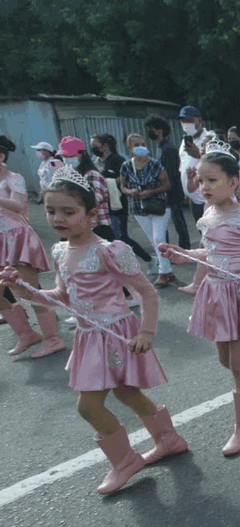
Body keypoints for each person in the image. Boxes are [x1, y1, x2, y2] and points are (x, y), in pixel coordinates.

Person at [2, 165, 188, 494]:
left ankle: (126, 461)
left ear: (91, 214)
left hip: (117, 334)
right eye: (51, 210)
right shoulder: (61, 250)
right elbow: (61, 297)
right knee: (127, 393)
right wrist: (24, 291)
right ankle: (169, 439)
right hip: (89, 337)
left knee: (88, 406)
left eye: (68, 211)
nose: (58, 218)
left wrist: (146, 331)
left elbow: (146, 292)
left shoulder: (110, 251)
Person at [161, 146, 240, 456]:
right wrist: (185, 254)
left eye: (212, 180)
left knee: (238, 364)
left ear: (233, 182)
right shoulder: (207, 216)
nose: (204, 187)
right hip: (216, 293)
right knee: (225, 360)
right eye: (200, 181)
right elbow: (212, 255)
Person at [0, 134, 66, 358]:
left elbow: (18, 206)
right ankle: (26, 335)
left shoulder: (13, 178)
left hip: (17, 237)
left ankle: (52, 339)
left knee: (29, 290)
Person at [119, 133, 176, 287]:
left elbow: (167, 185)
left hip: (159, 207)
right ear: (129, 147)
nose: (141, 147)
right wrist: (130, 192)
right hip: (138, 208)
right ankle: (168, 270)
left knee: (158, 239)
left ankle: (163, 273)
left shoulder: (154, 164)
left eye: (143, 144)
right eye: (136, 145)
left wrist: (150, 192)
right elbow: (122, 186)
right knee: (155, 241)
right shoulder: (126, 166)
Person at [145, 116, 190, 249]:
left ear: (159, 131)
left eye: (150, 129)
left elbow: (170, 173)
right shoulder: (161, 147)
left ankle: (185, 249)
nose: (149, 132)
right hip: (166, 191)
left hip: (171, 192)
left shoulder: (168, 149)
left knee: (178, 222)